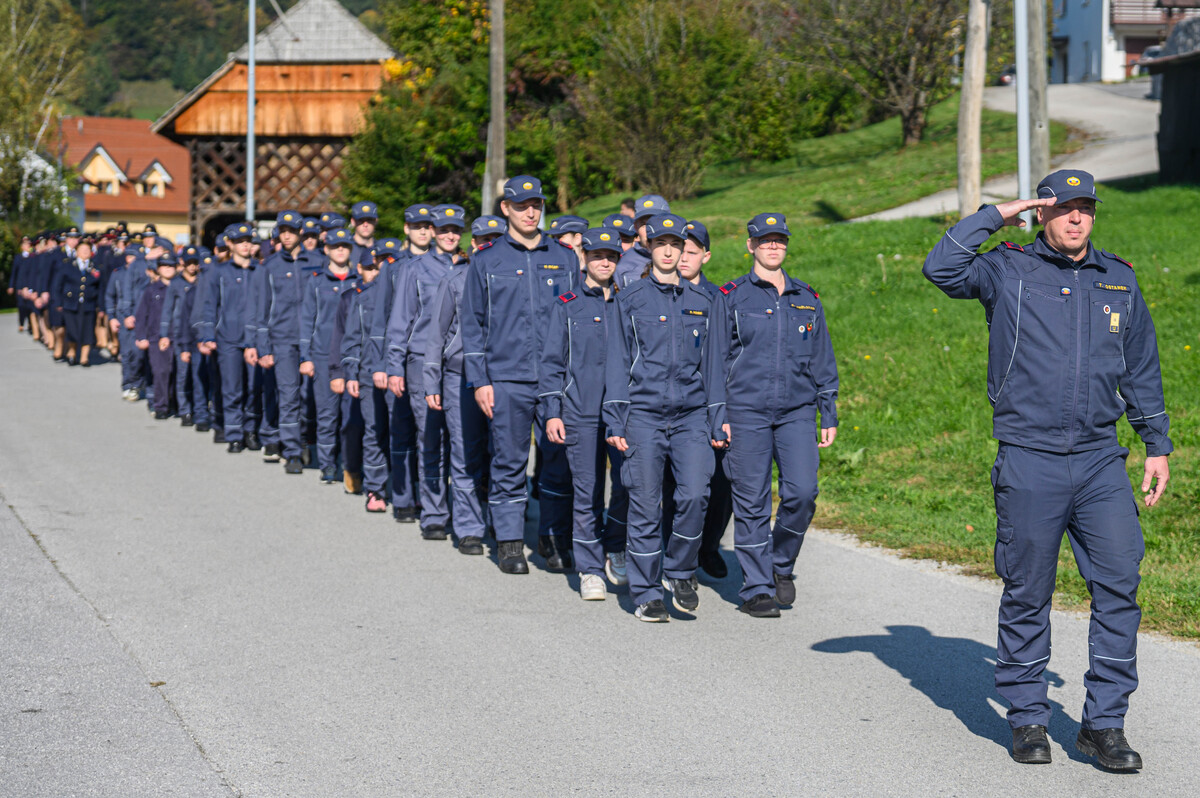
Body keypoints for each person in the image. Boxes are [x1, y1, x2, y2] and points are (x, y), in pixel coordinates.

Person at [922, 170, 1171, 771]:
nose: (1076, 218)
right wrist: (996, 214)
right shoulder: (1006, 270)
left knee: (1119, 584)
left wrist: (1156, 443)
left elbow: (1140, 364)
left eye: (1085, 207)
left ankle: (1104, 725)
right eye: (1063, 208)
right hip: (1030, 456)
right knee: (1028, 591)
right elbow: (941, 268)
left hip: (1100, 460)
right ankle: (1028, 718)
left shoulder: (1118, 279)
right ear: (1042, 213)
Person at [706, 213, 838, 618]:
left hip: (797, 412)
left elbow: (822, 359)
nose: (773, 245)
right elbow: (715, 362)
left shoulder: (806, 298)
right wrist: (718, 414)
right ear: (751, 246)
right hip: (745, 412)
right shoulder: (730, 297)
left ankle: (780, 563)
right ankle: (757, 588)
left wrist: (828, 411)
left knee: (803, 493)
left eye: (780, 239)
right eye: (765, 240)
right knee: (752, 502)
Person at [603, 212, 718, 622]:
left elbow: (714, 366)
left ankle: (680, 570)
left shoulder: (704, 301)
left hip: (691, 417)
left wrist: (717, 416)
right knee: (646, 505)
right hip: (643, 416)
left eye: (676, 245)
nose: (669, 252)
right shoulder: (630, 298)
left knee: (695, 494)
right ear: (648, 247)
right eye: (661, 244)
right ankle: (646, 593)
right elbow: (617, 361)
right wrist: (616, 418)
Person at [461, 175, 576, 574]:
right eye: (522, 205)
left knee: (557, 462)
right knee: (509, 462)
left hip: (556, 380)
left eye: (537, 205)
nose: (531, 212)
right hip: (506, 378)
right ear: (505, 208)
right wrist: (480, 380)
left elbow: (575, 317)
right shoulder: (487, 260)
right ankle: (509, 542)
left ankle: (552, 538)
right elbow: (472, 323)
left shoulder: (564, 257)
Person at [539, 227, 629, 600]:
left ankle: (615, 547)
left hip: (623, 414)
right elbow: (551, 363)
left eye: (611, 256)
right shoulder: (567, 304)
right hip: (580, 412)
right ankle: (590, 568)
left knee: (626, 485)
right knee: (587, 491)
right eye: (596, 255)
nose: (604, 262)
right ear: (584, 258)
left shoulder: (629, 303)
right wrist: (552, 411)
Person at [386, 204, 466, 539]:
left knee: (462, 440)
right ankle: (434, 513)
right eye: (443, 230)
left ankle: (466, 515)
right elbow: (400, 319)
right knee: (431, 437)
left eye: (455, 230)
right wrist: (394, 366)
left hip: (460, 363)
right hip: (421, 361)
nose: (450, 236)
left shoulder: (468, 267)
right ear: (432, 232)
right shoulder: (414, 269)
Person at [370, 204, 432, 523]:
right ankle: (404, 496)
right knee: (401, 429)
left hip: (429, 363)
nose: (423, 231)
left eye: (427, 225)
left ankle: (428, 497)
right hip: (399, 362)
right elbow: (381, 319)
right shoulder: (394, 268)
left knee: (430, 434)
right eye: (417, 225)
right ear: (406, 229)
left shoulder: (444, 265)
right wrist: (382, 364)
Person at [253, 210, 323, 473]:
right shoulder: (269, 266)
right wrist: (263, 347)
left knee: (311, 396)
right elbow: (261, 308)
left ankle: (307, 441)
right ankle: (292, 450)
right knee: (289, 395)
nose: (287, 236)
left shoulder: (317, 261)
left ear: (300, 233)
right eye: (283, 231)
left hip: (314, 339)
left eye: (292, 231)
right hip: (282, 339)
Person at [196, 223, 262, 453]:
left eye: (248, 241)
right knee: (232, 388)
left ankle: (250, 430)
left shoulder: (260, 271)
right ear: (230, 244)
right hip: (228, 338)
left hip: (255, 338)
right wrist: (208, 334)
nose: (245, 245)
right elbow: (209, 305)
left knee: (254, 387)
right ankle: (234, 433)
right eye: (239, 241)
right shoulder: (219, 272)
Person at [301, 227, 359, 482]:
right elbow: (307, 319)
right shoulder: (317, 280)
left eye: (345, 246)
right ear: (326, 250)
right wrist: (306, 356)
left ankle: (350, 463)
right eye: (336, 246)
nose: (340, 250)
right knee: (327, 413)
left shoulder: (359, 279)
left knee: (352, 417)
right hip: (323, 354)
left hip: (353, 355)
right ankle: (327, 463)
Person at [160, 246, 209, 429]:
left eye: (195, 263)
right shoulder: (176, 283)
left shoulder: (203, 281)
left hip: (199, 335)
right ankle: (185, 410)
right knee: (183, 375)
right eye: (189, 263)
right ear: (182, 263)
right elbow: (167, 310)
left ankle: (200, 410)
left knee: (199, 375)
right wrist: (164, 334)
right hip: (180, 334)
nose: (192, 266)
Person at [135, 252, 178, 420]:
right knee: (160, 372)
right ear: (158, 269)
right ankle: (160, 405)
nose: (168, 269)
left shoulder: (181, 287)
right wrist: (141, 336)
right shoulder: (151, 290)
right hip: (156, 337)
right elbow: (141, 315)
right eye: (164, 266)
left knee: (176, 372)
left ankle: (174, 402)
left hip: (178, 336)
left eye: (171, 266)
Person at [55, 239, 103, 366]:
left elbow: (100, 288)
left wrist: (101, 306)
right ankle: (72, 352)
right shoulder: (68, 265)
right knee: (73, 330)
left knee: (87, 330)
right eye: (82, 249)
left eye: (87, 250)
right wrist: (58, 302)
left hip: (89, 304)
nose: (85, 252)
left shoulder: (95, 266)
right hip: (70, 303)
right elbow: (58, 285)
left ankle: (84, 358)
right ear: (76, 252)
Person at [614, 194, 670, 288]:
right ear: (636, 227)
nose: (650, 231)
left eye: (656, 222)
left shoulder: (683, 259)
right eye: (644, 224)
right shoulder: (623, 266)